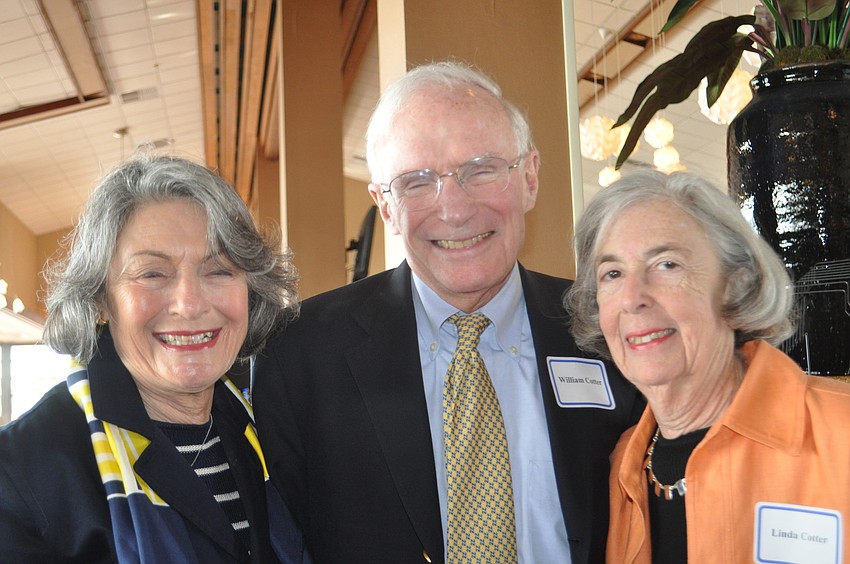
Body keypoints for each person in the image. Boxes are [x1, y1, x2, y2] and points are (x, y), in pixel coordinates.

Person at [253, 60, 644, 564]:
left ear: (528, 177)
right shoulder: (302, 355)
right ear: (386, 206)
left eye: (480, 170)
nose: (454, 209)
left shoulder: (607, 328)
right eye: (416, 182)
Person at [0, 153, 309, 563]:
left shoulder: (277, 428)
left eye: (219, 270)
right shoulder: (21, 473)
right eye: (152, 274)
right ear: (100, 298)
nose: (190, 304)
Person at [565, 169, 850, 563]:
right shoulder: (622, 467)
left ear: (735, 283)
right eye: (612, 274)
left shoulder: (841, 431)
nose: (632, 298)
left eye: (667, 265)